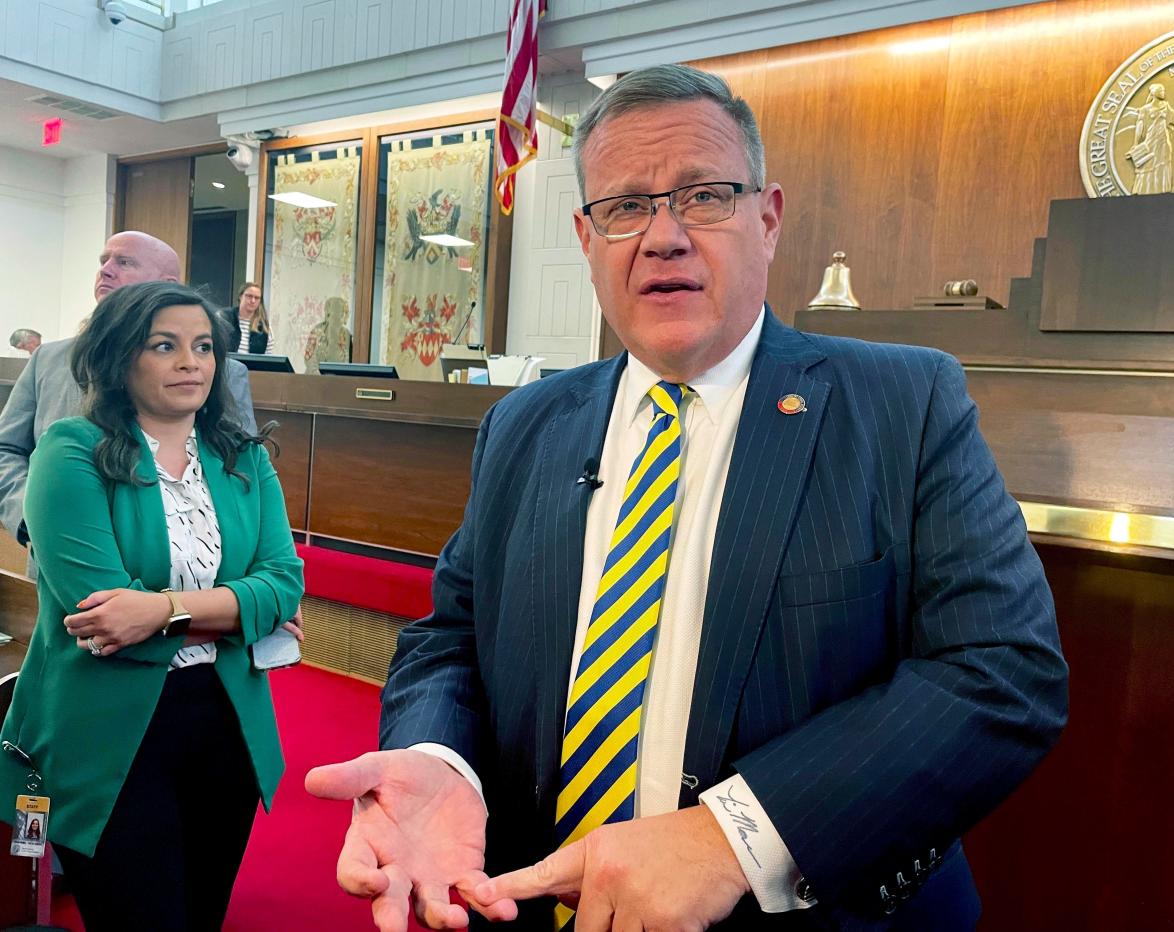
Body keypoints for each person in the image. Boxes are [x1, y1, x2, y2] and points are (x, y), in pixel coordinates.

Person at [307, 64, 1068, 931]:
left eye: (703, 196)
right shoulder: (522, 425)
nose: (662, 236)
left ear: (768, 218)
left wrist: (731, 838)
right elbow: (451, 635)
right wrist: (440, 755)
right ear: (588, 239)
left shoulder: (905, 403)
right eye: (625, 207)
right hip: (525, 904)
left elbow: (1002, 672)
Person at [0, 281, 304, 930]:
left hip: (226, 720)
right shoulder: (70, 451)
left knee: (201, 916)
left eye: (202, 347)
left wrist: (159, 609)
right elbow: (104, 615)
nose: (190, 362)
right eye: (164, 346)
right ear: (118, 359)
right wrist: (237, 609)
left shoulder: (242, 456)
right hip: (107, 728)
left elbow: (285, 583)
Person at [0, 230, 258, 552]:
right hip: (62, 563)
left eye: (124, 262)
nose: (105, 270)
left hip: (188, 572)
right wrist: (33, 516)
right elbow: (6, 449)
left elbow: (243, 470)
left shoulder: (221, 372)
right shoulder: (49, 360)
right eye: (103, 260)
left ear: (168, 284)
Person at [224, 281, 275, 355]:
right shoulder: (225, 318)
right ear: (240, 296)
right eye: (249, 296)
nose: (253, 301)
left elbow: (267, 358)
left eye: (257, 298)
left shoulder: (265, 327)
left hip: (253, 366)